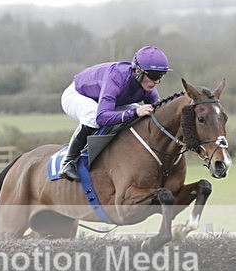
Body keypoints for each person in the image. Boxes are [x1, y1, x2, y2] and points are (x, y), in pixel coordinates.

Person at [59, 45, 172, 182]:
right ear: (138, 71)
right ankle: (68, 162)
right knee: (93, 116)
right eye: (154, 76)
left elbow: (157, 111)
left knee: (143, 112)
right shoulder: (116, 78)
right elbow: (101, 117)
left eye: (161, 76)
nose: (157, 82)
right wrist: (135, 112)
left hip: (106, 100)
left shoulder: (147, 85)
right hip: (78, 95)